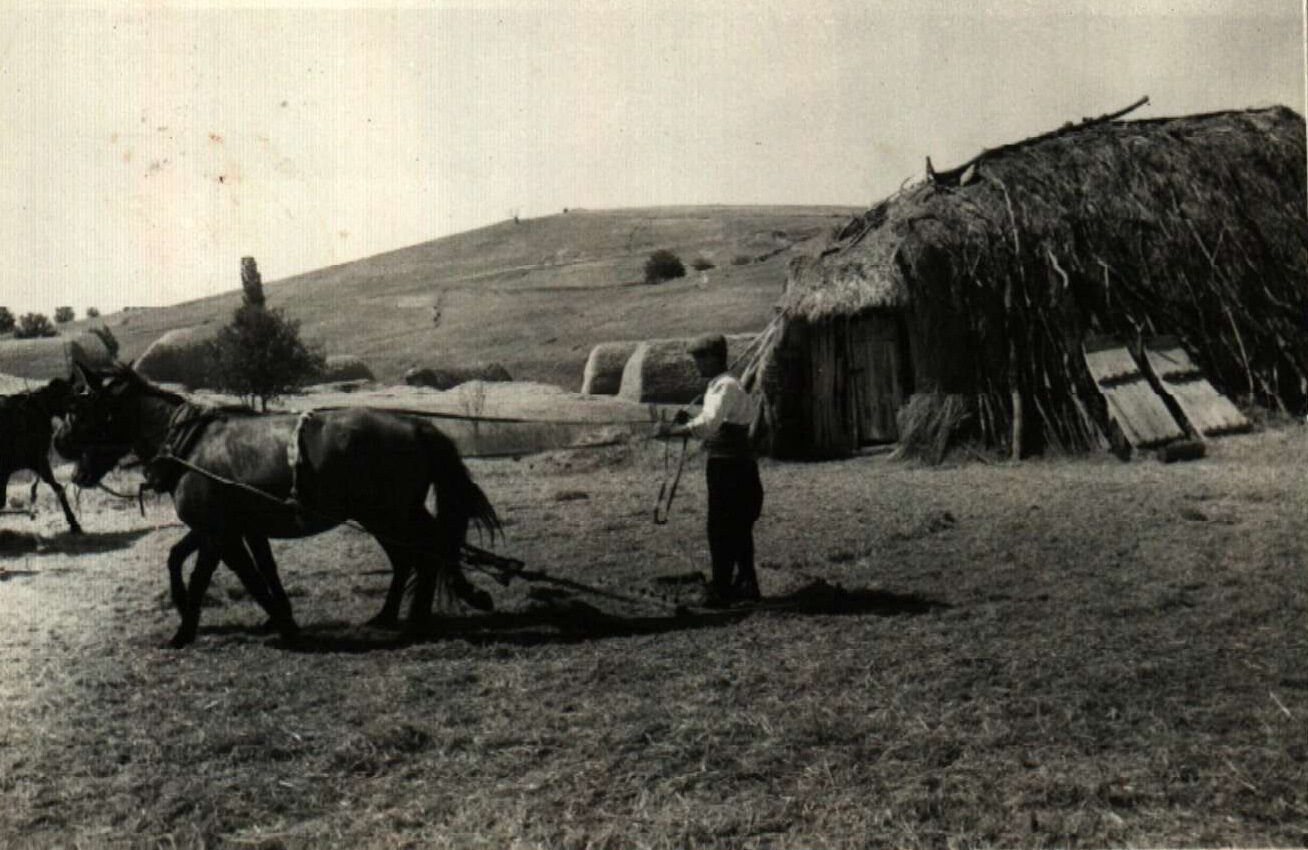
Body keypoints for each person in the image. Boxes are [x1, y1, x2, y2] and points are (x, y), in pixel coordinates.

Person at [657, 334, 764, 607]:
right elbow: (711, 419)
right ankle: (746, 584)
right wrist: (690, 420)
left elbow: (709, 425)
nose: (697, 366)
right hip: (733, 463)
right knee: (737, 526)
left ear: (714, 358)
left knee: (721, 528)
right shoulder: (722, 385)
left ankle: (721, 591)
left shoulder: (725, 386)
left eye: (699, 360)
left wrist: (673, 430)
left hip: (730, 466)